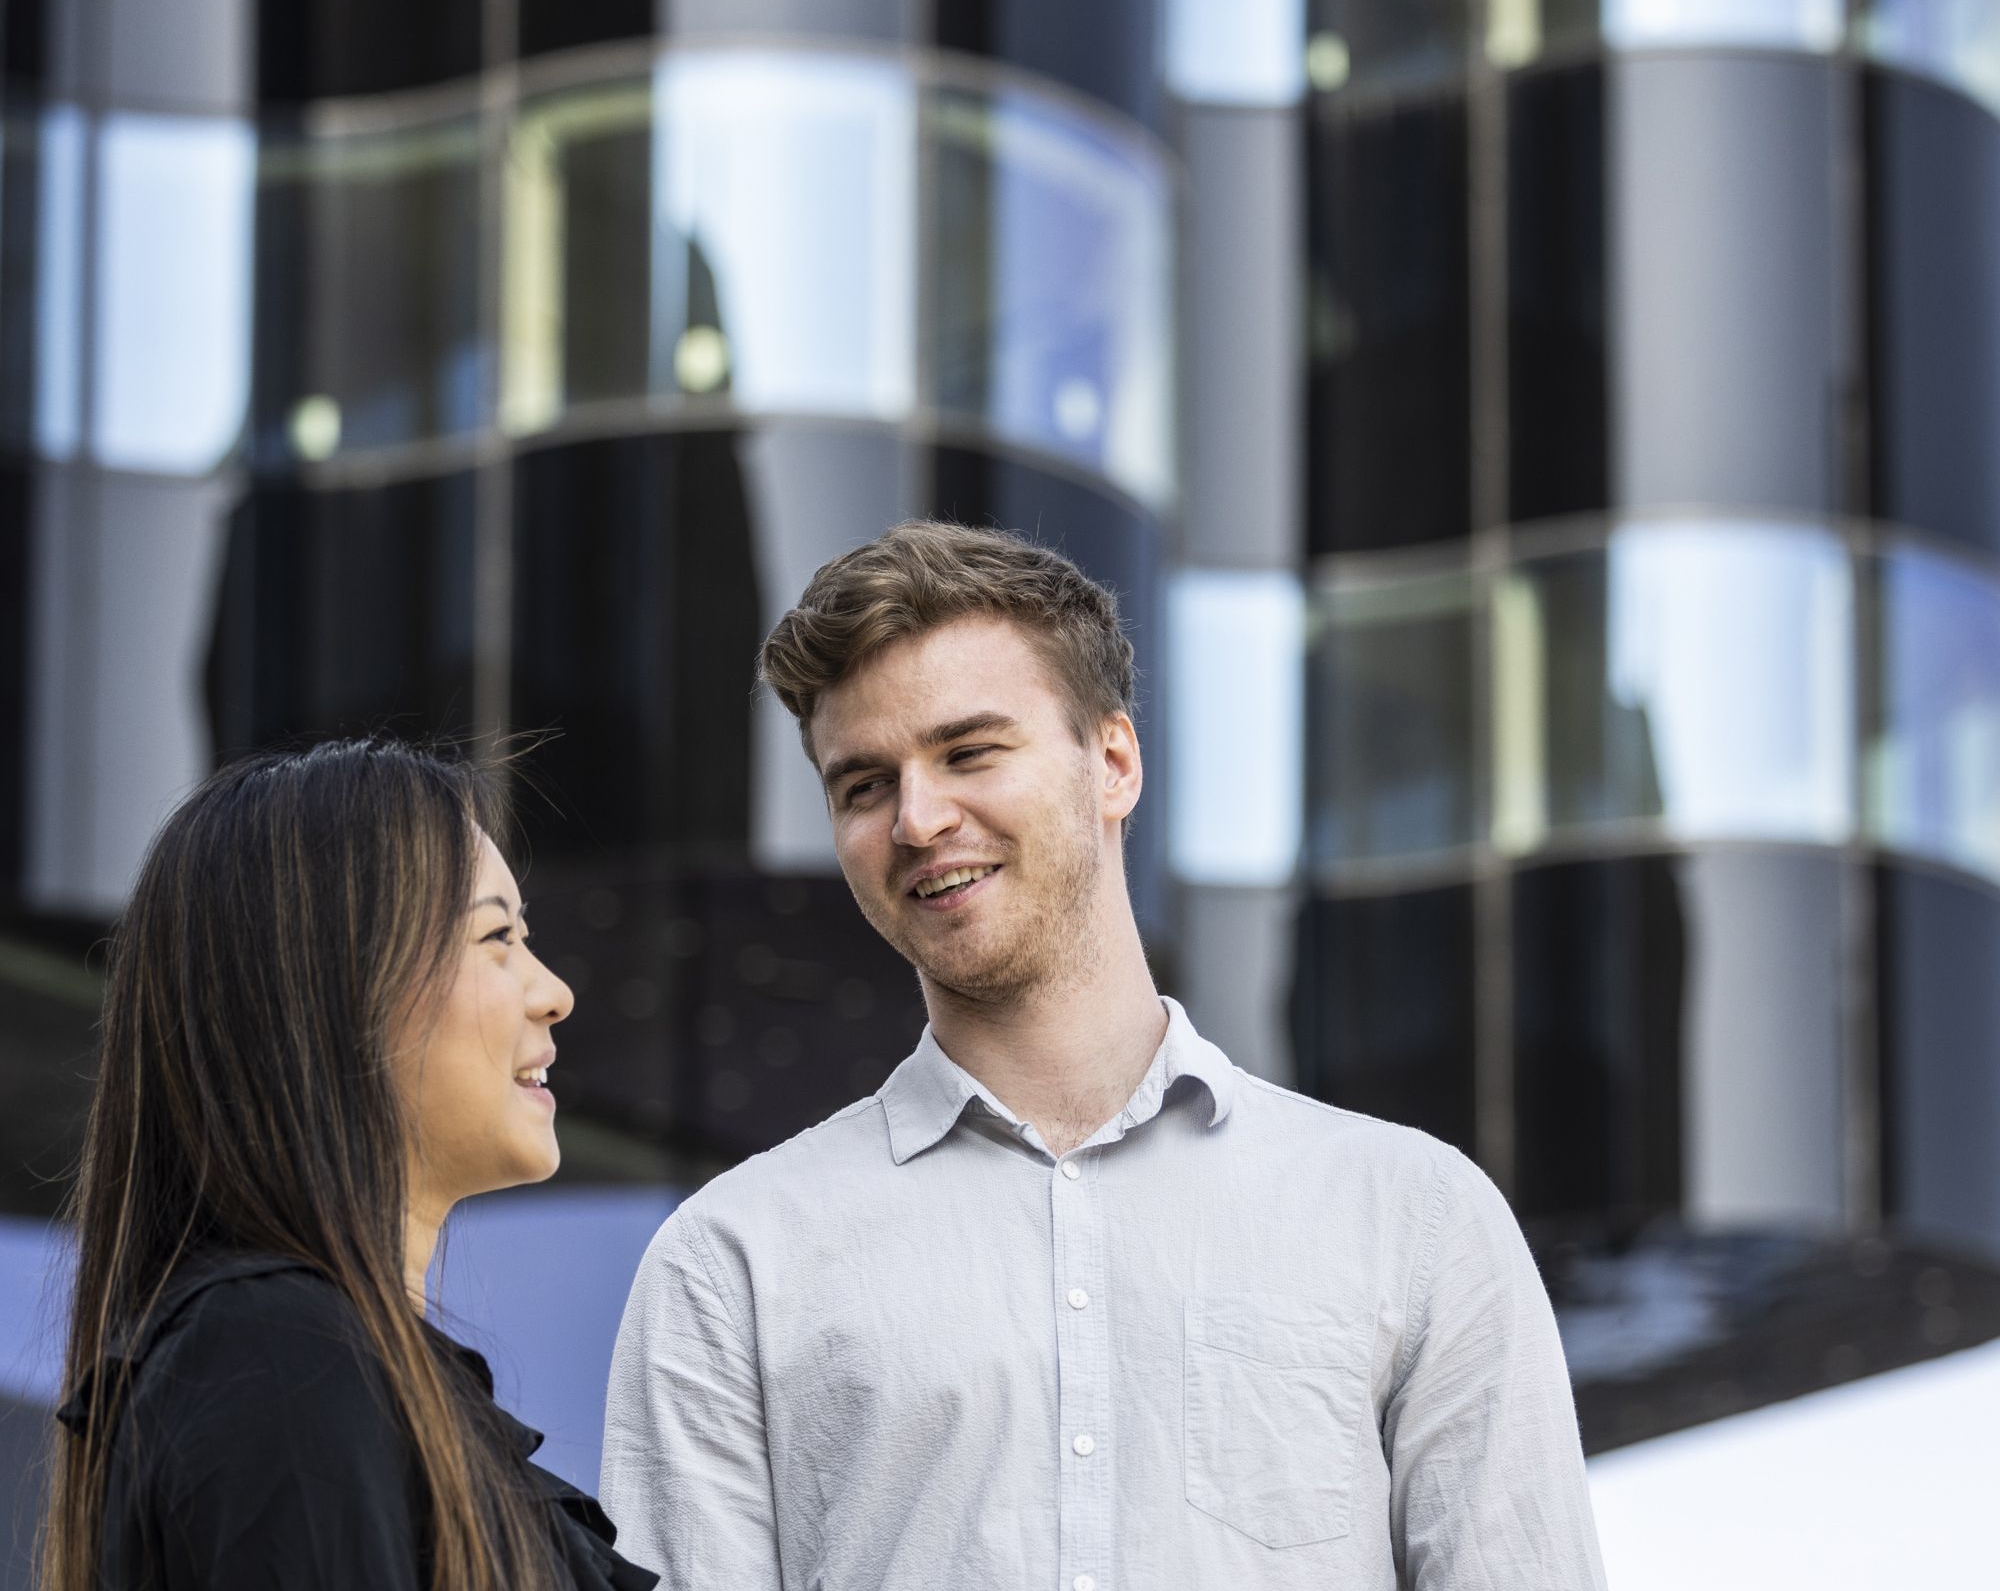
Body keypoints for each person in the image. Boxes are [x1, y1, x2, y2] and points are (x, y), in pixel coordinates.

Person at [602, 520, 1608, 1588]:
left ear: (1113, 761)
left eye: (969, 751)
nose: (918, 816)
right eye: (862, 784)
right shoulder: (731, 1265)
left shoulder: (1411, 1215)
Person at [43, 739, 657, 1591]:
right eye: (497, 936)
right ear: (338, 987)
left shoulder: (310, 1362)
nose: (553, 990)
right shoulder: (280, 1358)